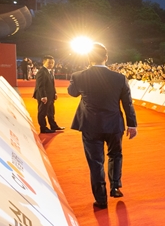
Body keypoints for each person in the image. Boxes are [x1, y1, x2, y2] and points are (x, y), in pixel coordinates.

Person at [68, 44, 138, 209]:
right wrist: (132, 124)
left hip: (90, 125)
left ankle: (101, 199)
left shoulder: (78, 76)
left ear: (88, 58)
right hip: (114, 124)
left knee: (96, 162)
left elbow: (72, 92)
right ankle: (115, 186)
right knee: (115, 155)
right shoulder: (119, 78)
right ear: (106, 57)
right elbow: (128, 103)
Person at [33, 55, 64, 134]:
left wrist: (55, 93)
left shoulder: (49, 71)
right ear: (44, 62)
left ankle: (53, 125)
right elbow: (40, 85)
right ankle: (43, 128)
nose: (51, 64)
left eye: (53, 62)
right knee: (42, 112)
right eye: (49, 62)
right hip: (44, 96)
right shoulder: (41, 72)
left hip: (50, 95)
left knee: (51, 112)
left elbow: (51, 84)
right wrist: (43, 96)